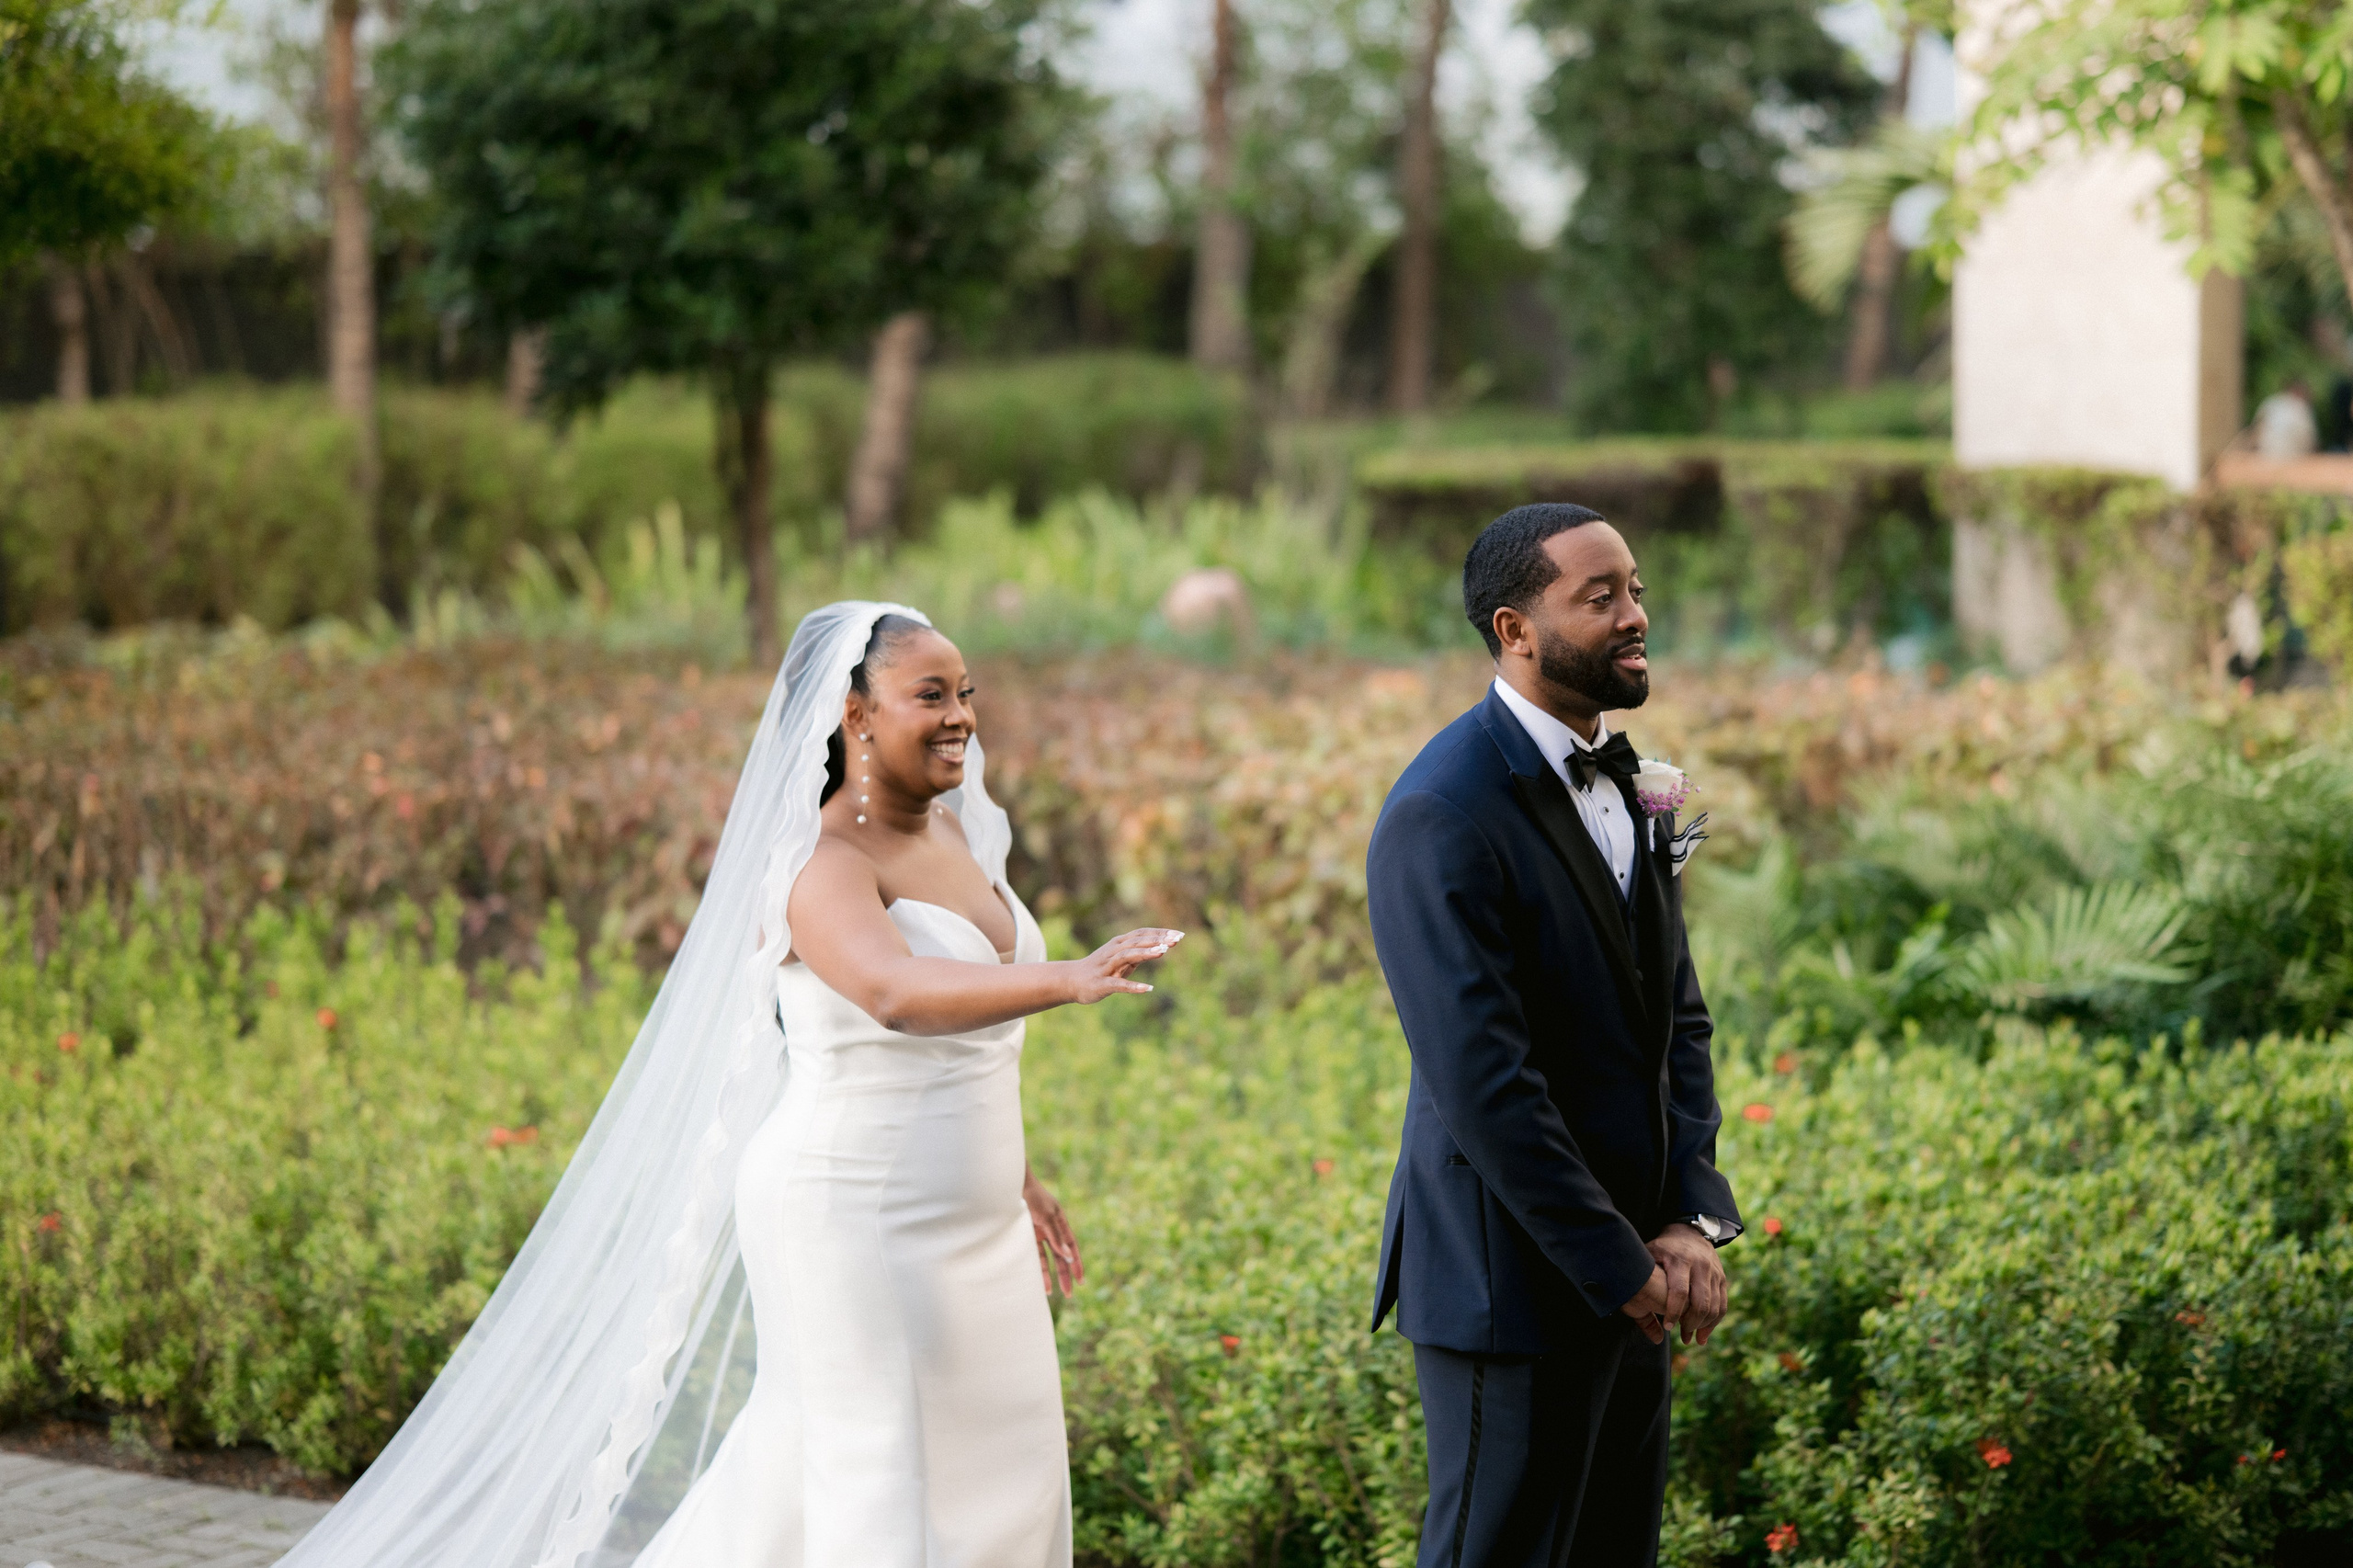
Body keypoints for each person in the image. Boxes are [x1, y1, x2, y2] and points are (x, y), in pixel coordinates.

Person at [275, 602, 1177, 1568]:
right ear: (855, 714)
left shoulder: (953, 832)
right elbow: (895, 993)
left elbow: (972, 1049)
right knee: (874, 1472)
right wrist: (1069, 977)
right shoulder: (820, 865)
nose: (960, 715)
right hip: (854, 1215)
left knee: (999, 1465)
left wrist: (1018, 1175)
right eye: (930, 695)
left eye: (965, 693)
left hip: (976, 1221)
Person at [1365, 505, 1742, 1568]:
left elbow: (1679, 1018)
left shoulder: (1646, 785)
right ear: (1514, 628)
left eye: (1635, 589)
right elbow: (1485, 1084)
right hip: (1513, 1285)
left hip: (1641, 1273)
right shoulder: (1440, 810)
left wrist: (1688, 1218)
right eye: (1600, 596)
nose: (1635, 614)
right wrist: (1617, 1262)